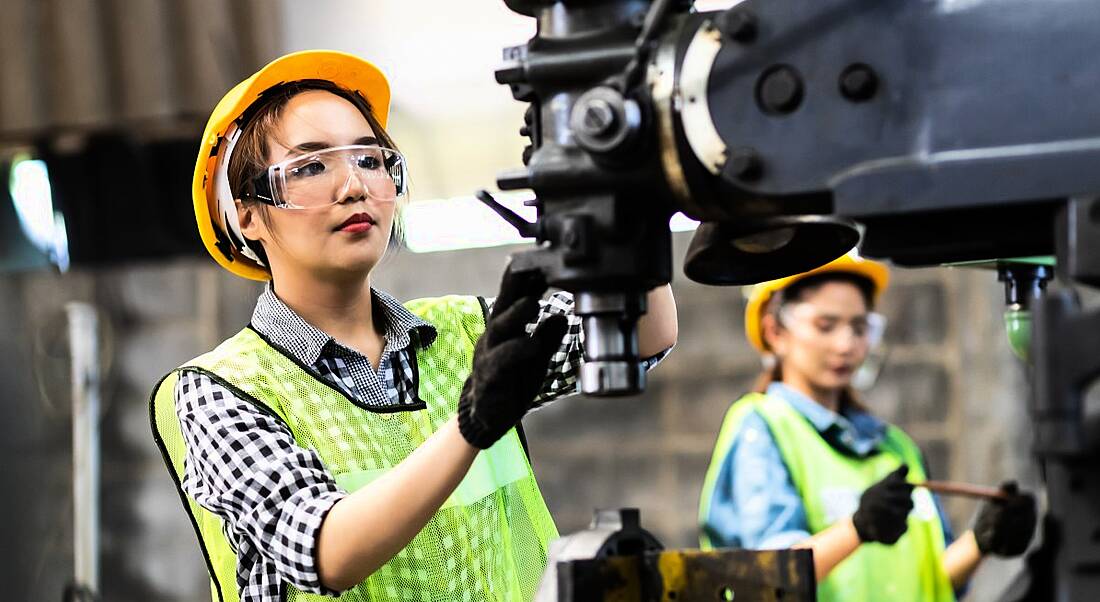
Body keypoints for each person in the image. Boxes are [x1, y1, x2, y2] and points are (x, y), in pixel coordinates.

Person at [149, 49, 677, 602]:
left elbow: (646, 331)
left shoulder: (465, 332)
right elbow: (323, 550)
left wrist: (621, 195)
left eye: (371, 160)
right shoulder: (219, 392)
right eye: (310, 165)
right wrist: (470, 426)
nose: (354, 186)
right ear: (247, 214)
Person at [698, 255, 1035, 601]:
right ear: (776, 331)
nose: (846, 345)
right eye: (826, 325)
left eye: (859, 328)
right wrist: (857, 529)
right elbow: (766, 577)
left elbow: (929, 581)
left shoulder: (895, 448)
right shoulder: (763, 427)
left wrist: (981, 541)